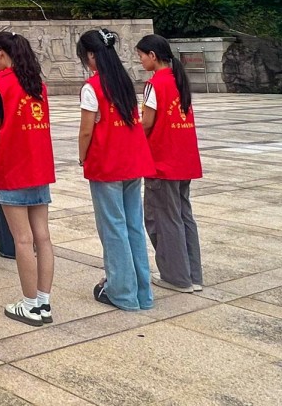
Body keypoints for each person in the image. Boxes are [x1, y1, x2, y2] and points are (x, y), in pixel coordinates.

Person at [77, 28, 156, 311]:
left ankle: (121, 292)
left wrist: (82, 157)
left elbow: (86, 130)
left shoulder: (92, 87)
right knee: (133, 226)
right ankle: (143, 293)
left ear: (91, 55)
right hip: (133, 161)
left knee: (113, 228)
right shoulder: (124, 81)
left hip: (107, 163)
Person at [0, 30, 55, 326]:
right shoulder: (36, 82)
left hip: (13, 165)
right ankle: (44, 302)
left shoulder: (0, 84)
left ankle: (28, 305)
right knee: (43, 236)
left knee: (22, 239)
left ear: (1, 54)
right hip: (39, 165)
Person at [136, 33, 204, 293]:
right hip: (184, 160)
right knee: (184, 216)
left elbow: (147, 122)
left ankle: (176, 277)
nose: (141, 61)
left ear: (153, 55)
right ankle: (193, 275)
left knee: (163, 219)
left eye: (142, 56)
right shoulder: (179, 80)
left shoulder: (155, 84)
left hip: (163, 161)